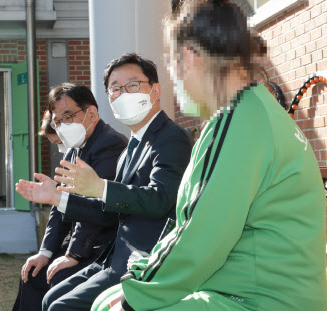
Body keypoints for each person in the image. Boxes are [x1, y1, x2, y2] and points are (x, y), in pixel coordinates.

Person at [92, 1, 327, 310]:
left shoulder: (235, 121)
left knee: (107, 306)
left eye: (170, 65)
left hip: (259, 299)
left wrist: (137, 294)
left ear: (188, 59)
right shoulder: (256, 109)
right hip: (264, 288)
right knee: (108, 298)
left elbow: (200, 235)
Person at [34, 53, 194, 311]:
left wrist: (100, 187)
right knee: (50, 299)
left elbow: (162, 199)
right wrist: (57, 198)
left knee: (60, 307)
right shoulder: (133, 143)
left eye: (132, 85)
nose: (123, 94)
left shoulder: (170, 138)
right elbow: (108, 208)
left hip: (144, 264)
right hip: (114, 257)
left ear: (155, 90)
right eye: (115, 89)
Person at [13, 83, 127, 311]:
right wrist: (44, 253)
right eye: (58, 121)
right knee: (33, 273)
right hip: (85, 241)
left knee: (57, 280)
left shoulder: (109, 144)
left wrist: (73, 254)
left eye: (68, 116)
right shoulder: (76, 147)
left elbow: (97, 207)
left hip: (105, 245)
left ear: (91, 113)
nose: (62, 126)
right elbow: (59, 204)